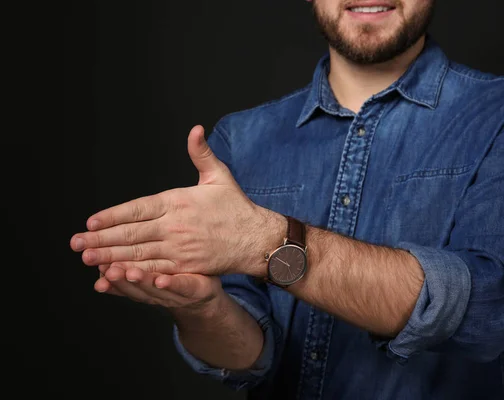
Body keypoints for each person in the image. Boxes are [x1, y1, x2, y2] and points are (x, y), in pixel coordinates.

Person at [70, 0, 504, 398]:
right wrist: (204, 308)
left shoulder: (496, 115)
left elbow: (488, 312)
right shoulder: (240, 140)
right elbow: (250, 359)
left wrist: (266, 241)